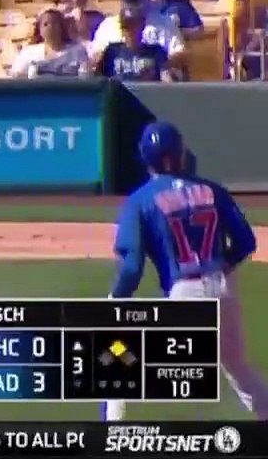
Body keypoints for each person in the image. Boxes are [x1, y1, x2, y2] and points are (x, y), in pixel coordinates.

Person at [102, 122, 268, 422]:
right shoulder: (212, 190)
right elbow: (245, 241)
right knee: (237, 367)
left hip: (185, 295)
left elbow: (132, 265)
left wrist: (116, 298)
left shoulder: (141, 199)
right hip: (222, 287)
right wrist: (218, 271)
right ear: (177, 154)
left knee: (118, 356)